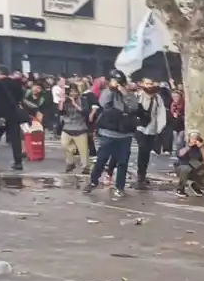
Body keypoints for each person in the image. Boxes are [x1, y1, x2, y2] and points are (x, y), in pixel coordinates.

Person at [84, 70, 140, 198]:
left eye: (120, 82)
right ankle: (93, 181)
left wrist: (125, 92)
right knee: (101, 159)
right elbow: (103, 103)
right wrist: (111, 88)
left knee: (122, 162)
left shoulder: (129, 94)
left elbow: (134, 107)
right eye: (115, 81)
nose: (117, 84)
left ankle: (120, 187)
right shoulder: (107, 93)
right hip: (108, 133)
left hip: (125, 134)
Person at [131, 77, 169, 188]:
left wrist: (160, 128)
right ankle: (140, 175)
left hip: (152, 129)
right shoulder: (137, 96)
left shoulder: (157, 98)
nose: (149, 86)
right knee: (143, 149)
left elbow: (161, 113)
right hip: (140, 128)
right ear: (142, 84)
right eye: (147, 83)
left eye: (151, 83)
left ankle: (142, 173)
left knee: (146, 152)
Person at [58, 83, 94, 174]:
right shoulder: (66, 100)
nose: (73, 94)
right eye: (71, 92)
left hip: (80, 127)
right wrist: (61, 101)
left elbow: (85, 111)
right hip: (67, 126)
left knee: (83, 150)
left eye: (75, 92)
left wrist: (75, 104)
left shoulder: (83, 99)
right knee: (64, 144)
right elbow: (60, 112)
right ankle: (70, 162)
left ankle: (86, 167)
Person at [174, 129, 204, 197]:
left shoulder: (201, 144)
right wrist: (189, 146)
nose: (194, 139)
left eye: (196, 137)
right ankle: (180, 189)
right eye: (193, 137)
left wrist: (202, 148)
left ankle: (195, 187)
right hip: (183, 167)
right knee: (185, 169)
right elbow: (179, 154)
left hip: (195, 168)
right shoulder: (183, 143)